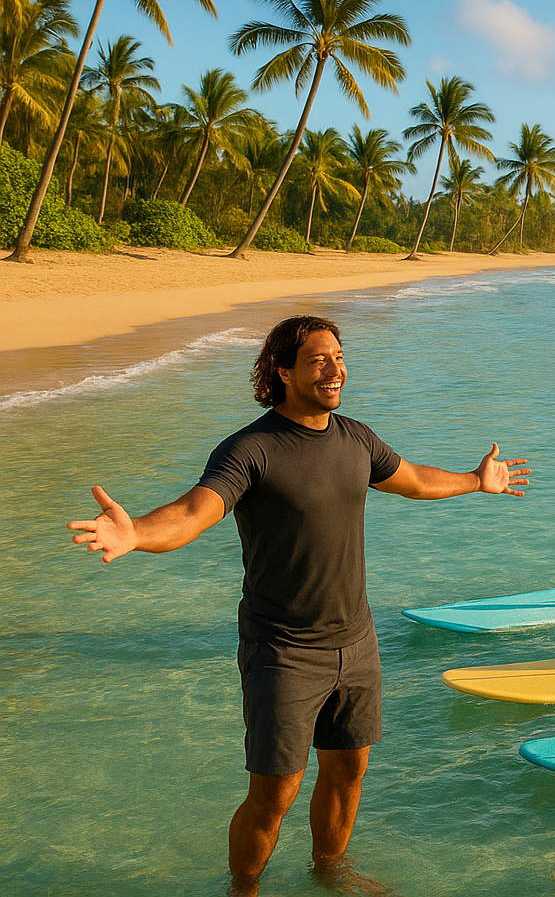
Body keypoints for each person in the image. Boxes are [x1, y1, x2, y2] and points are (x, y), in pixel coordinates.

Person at [66, 315, 530, 896]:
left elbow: (411, 479)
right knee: (275, 792)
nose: (335, 370)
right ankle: (244, 890)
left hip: (357, 643)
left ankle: (329, 875)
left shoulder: (357, 438)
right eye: (317, 360)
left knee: (348, 769)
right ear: (282, 371)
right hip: (283, 651)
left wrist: (473, 479)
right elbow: (193, 513)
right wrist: (135, 533)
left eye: (338, 356)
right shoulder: (251, 449)